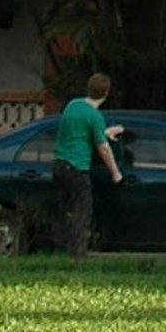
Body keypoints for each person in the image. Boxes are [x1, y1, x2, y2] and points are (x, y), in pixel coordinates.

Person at [52, 73, 122, 257]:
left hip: (59, 165)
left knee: (64, 209)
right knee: (82, 210)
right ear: (106, 92)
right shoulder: (95, 116)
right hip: (77, 167)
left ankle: (60, 248)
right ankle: (77, 252)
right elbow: (103, 149)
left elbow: (80, 133)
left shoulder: (73, 105)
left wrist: (104, 132)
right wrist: (116, 173)